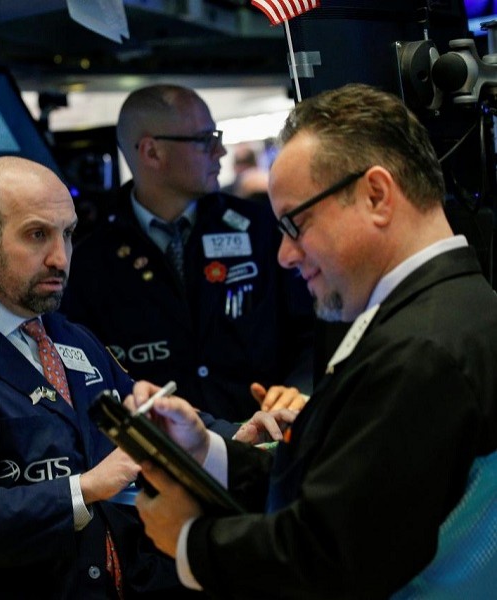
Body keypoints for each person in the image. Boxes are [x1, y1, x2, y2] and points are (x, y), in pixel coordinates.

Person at [130, 83, 497, 598]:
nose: (284, 254)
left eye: (295, 223)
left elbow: (334, 555)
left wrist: (191, 542)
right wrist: (207, 451)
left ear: (376, 195)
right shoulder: (453, 309)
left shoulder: (418, 349)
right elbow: (348, 485)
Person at [0, 154, 245, 599]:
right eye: (37, 235)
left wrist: (237, 437)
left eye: (68, 234)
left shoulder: (69, 336)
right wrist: (83, 489)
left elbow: (145, 417)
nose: (60, 258)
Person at [61, 84, 315, 422]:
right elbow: (86, 376)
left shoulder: (260, 228)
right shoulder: (89, 260)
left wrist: (300, 389)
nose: (220, 151)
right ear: (152, 152)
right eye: (205, 139)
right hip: (163, 449)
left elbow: (312, 333)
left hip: (269, 436)